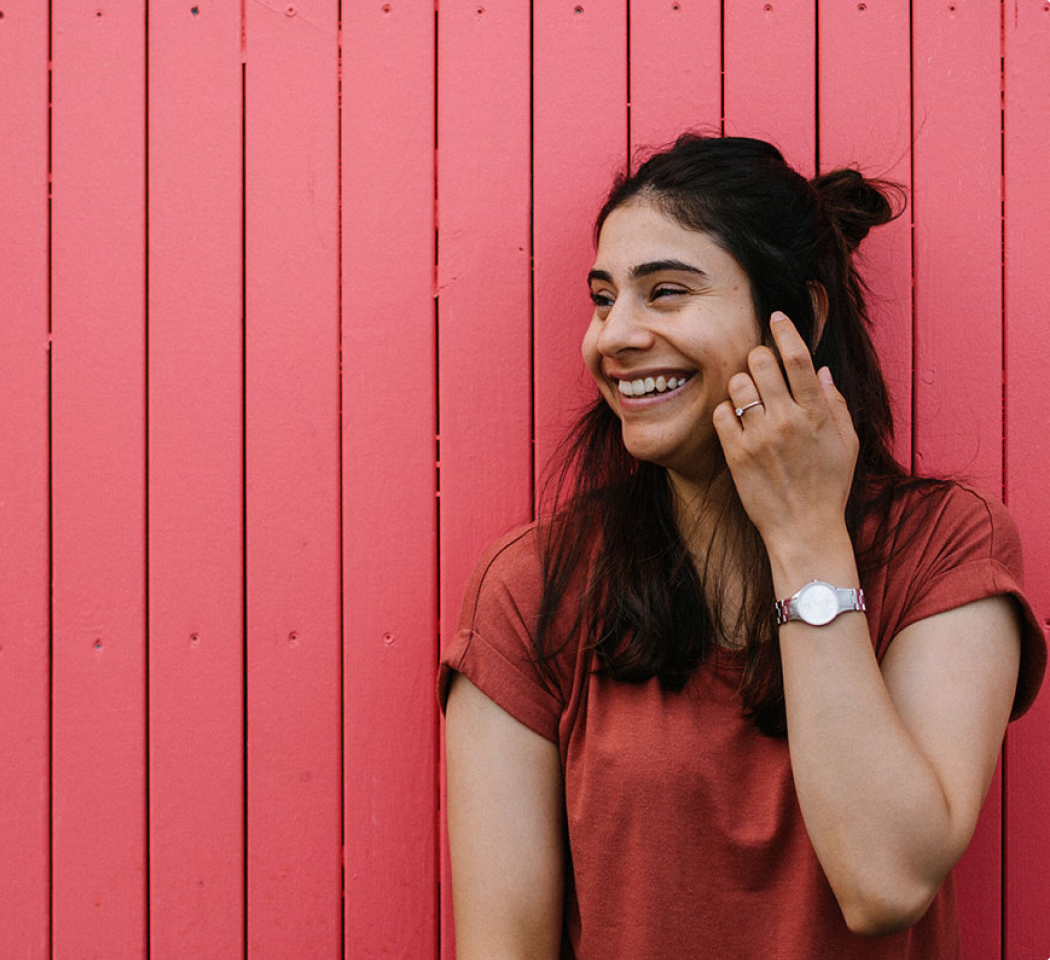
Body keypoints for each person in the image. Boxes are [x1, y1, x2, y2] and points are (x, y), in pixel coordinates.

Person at [437, 133, 1046, 960]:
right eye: (604, 297)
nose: (614, 336)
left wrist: (804, 536)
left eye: (667, 292)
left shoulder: (944, 549)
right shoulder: (532, 588)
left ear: (802, 316)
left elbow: (886, 882)